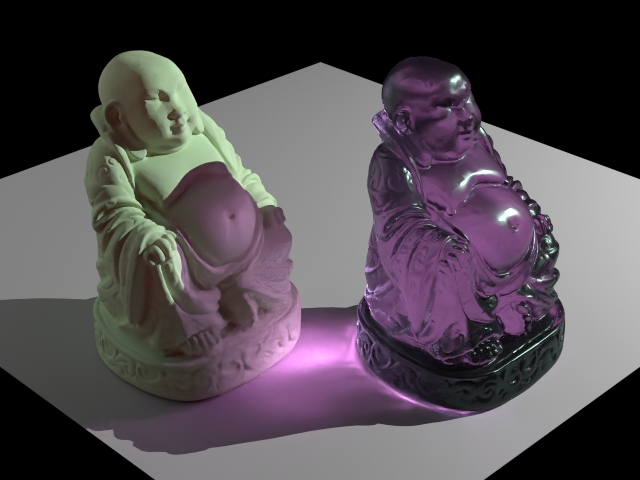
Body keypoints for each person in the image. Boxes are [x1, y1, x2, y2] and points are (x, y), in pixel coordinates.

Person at [85, 51, 299, 377]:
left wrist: (262, 201)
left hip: (249, 246)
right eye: (157, 100)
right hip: (187, 262)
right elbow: (113, 212)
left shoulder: (204, 128)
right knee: (153, 259)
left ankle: (239, 290)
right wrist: (148, 235)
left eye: (180, 89)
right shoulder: (114, 156)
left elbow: (241, 173)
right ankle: (192, 324)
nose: (177, 109)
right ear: (118, 117)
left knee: (278, 235)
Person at [364, 56, 562, 366]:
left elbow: (503, 182)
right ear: (405, 121)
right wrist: (445, 247)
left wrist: (527, 210)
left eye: (467, 98)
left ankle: (516, 303)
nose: (468, 115)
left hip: (516, 264)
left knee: (546, 242)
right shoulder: (395, 162)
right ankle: (462, 337)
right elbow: (398, 228)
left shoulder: (477, 140)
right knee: (443, 262)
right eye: (448, 106)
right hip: (462, 273)